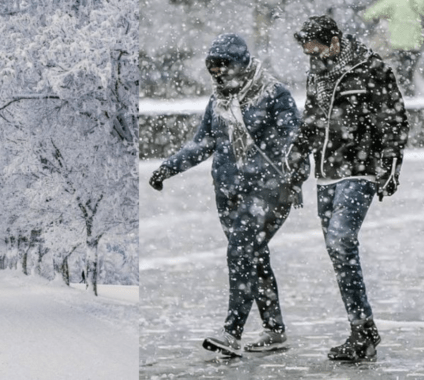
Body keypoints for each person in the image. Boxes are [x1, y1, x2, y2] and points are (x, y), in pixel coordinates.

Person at [149, 33, 308, 357]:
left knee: (241, 253)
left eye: (224, 64)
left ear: (242, 63)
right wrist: (168, 167)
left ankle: (232, 332)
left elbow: (297, 144)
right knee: (254, 256)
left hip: (268, 192)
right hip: (229, 193)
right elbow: (203, 143)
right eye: (213, 66)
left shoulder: (274, 94)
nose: (218, 71)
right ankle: (275, 331)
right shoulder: (218, 100)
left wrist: (289, 178)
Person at [291, 15, 410, 361]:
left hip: (361, 168)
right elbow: (311, 119)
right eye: (308, 52)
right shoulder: (316, 72)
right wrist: (297, 154)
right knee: (337, 252)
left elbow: (394, 115)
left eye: (317, 49)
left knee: (341, 241)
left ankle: (363, 331)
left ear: (335, 41)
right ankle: (363, 328)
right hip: (325, 172)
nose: (314, 57)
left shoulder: (371, 68)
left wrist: (391, 161)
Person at [363, 0, 424, 96]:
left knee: (402, 72)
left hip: (399, 44)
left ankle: (406, 95)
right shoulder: (417, 2)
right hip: (415, 44)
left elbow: (368, 14)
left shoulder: (392, 2)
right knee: (409, 71)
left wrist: (382, 16)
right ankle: (410, 94)